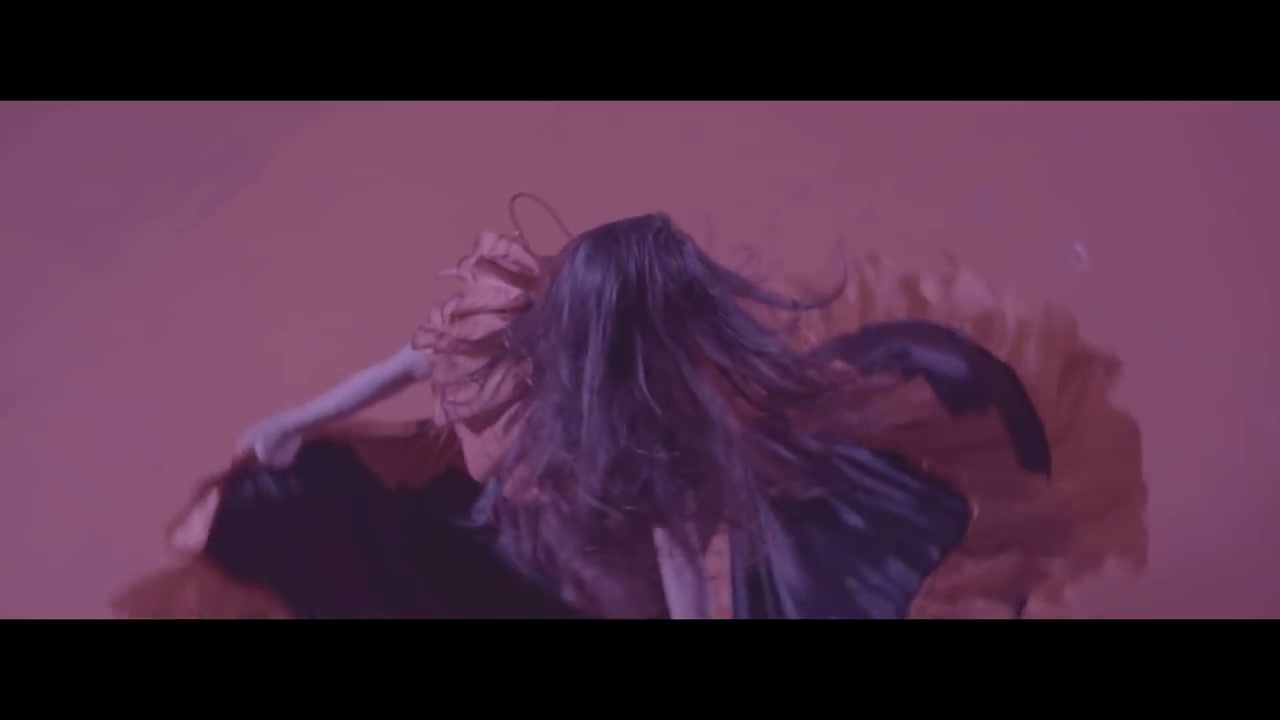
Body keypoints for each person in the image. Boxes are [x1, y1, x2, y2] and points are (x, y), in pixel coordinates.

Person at [113, 197, 1147, 620]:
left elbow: (671, 550)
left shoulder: (627, 428)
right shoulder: (495, 336)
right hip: (492, 541)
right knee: (310, 509)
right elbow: (402, 367)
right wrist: (293, 423)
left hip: (575, 578)